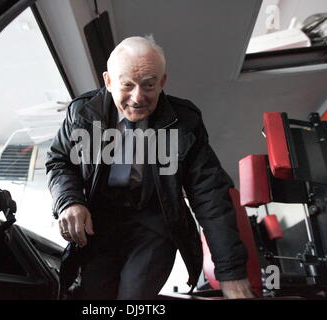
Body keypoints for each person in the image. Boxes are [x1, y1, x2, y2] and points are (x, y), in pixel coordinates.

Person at [46, 36, 255, 299]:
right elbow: (59, 161)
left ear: (162, 83)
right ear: (108, 81)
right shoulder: (81, 113)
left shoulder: (185, 122)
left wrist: (231, 272)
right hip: (99, 222)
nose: (138, 98)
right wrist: (69, 201)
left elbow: (209, 195)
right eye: (127, 85)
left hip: (155, 224)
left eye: (148, 85)